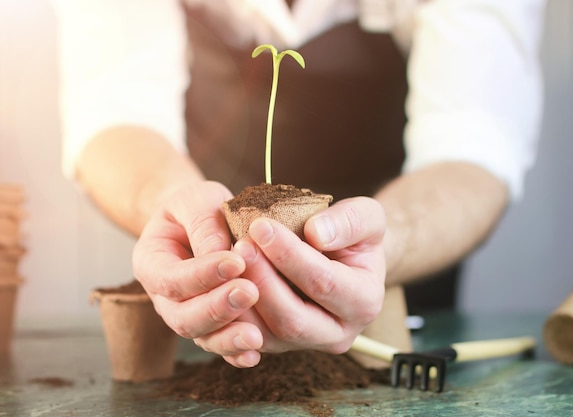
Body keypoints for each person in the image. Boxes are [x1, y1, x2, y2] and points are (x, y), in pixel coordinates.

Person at [53, 0, 546, 368]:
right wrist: (175, 213)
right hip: (214, 301)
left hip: (393, 287)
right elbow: (114, 110)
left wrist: (378, 243)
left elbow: (472, 143)